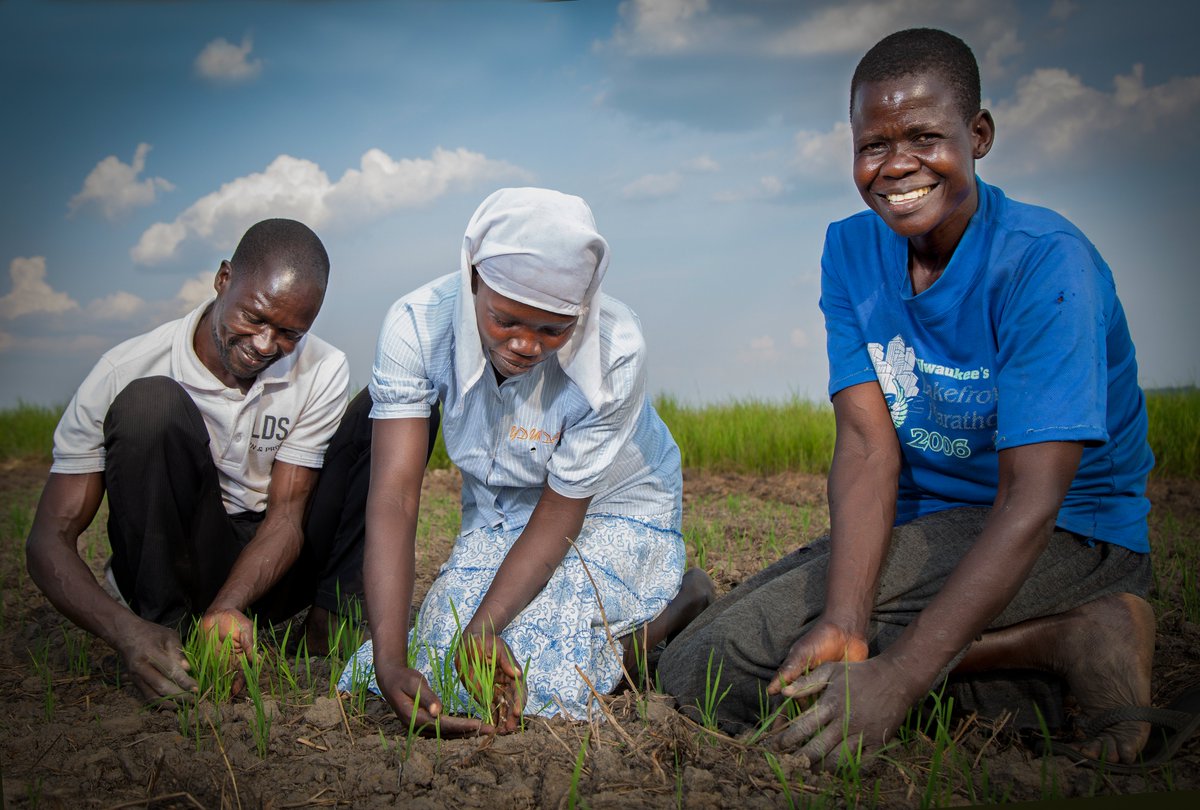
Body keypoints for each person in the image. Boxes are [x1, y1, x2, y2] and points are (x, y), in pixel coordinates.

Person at [659, 28, 1157, 769]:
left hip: (1066, 537)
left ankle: (1079, 622)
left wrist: (898, 675)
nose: (896, 166)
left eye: (925, 137)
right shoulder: (852, 250)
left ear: (978, 136)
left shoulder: (1047, 265)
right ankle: (1055, 645)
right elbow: (866, 449)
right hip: (929, 522)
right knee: (707, 655)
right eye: (872, 145)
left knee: (711, 672)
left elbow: (1030, 501)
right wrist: (846, 620)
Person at [338, 187, 712, 733]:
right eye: (505, 319)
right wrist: (390, 658)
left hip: (612, 502)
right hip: (503, 505)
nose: (526, 346)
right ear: (472, 281)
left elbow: (564, 509)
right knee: (441, 643)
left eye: (553, 329)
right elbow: (394, 496)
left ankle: (678, 607)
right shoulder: (415, 326)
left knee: (534, 655)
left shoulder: (617, 348)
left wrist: (485, 628)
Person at [26, 218, 390, 702]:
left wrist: (228, 606)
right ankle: (166, 636)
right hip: (182, 559)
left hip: (270, 565)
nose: (265, 345)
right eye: (254, 318)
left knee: (388, 409)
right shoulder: (124, 369)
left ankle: (326, 626)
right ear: (223, 279)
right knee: (149, 404)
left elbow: (286, 516)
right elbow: (48, 539)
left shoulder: (321, 367)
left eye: (288, 332)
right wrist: (125, 631)